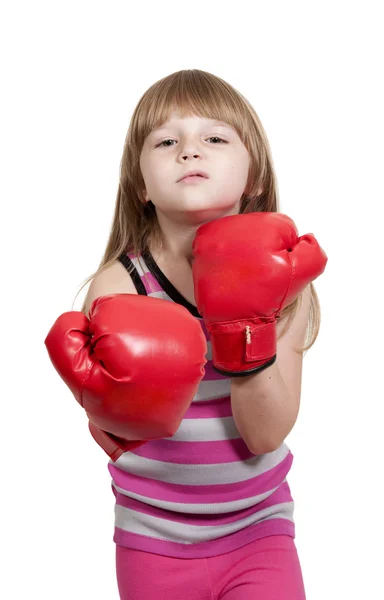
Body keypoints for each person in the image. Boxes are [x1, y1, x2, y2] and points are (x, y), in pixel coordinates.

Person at [44, 68, 328, 599]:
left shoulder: (288, 282)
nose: (189, 151)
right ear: (140, 184)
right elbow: (112, 431)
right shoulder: (119, 285)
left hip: (258, 532)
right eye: (167, 140)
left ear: (255, 177)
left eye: (215, 138)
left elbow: (265, 436)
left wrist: (245, 322)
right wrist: (105, 408)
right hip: (152, 539)